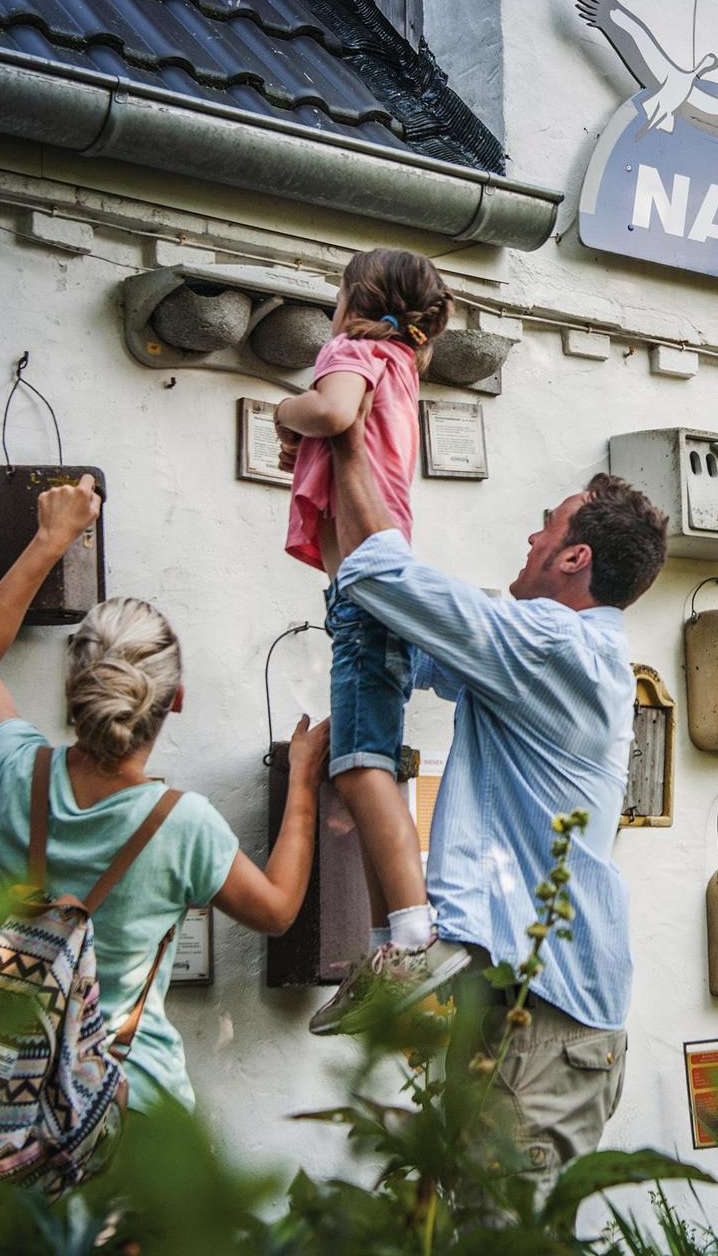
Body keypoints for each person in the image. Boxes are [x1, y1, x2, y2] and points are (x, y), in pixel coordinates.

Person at [300, 401, 667, 1198]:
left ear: (574, 557)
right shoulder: (540, 653)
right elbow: (400, 627)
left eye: (545, 527)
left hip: (550, 1019)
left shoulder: (559, 646)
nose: (531, 537)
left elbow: (387, 578)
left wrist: (350, 438)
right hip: (522, 1011)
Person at [0, 475, 329, 1113]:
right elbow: (278, 910)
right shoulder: (183, 825)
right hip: (129, 1106)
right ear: (175, 701)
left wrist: (51, 539)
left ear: (73, 688)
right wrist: (302, 779)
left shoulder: (15, 772)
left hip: (2, 1102)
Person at [273, 248, 459, 1030]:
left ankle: (413, 938)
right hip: (374, 587)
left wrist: (286, 411)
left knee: (359, 765)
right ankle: (390, 945)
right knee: (365, 761)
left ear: (357, 300)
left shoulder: (352, 352)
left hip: (364, 594)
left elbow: (333, 413)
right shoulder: (401, 366)